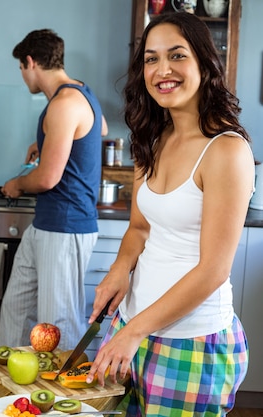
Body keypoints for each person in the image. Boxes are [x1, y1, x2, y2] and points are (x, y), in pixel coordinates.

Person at [86, 12, 252, 415]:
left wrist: (136, 331)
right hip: (133, 326)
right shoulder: (154, 139)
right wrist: (119, 269)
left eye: (176, 56)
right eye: (151, 58)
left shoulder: (226, 151)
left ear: (203, 64)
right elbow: (140, 228)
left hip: (188, 343)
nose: (162, 70)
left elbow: (213, 271)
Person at [0, 29, 108, 350]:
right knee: (17, 307)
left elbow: (47, 179)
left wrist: (16, 184)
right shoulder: (80, 92)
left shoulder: (64, 103)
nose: (23, 76)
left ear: (30, 62)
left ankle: (64, 398)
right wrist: (47, 141)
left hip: (66, 224)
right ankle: (10, 385)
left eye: (21, 68)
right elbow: (96, 127)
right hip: (47, 223)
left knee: (56, 324)